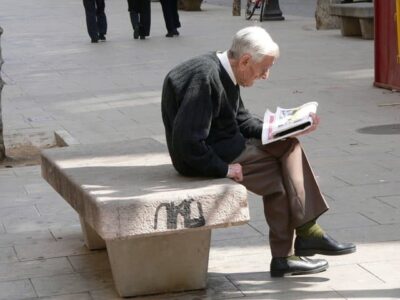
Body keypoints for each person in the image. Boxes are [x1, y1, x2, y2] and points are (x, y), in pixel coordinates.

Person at [161, 26, 356, 277]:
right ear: (244, 61)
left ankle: (300, 241)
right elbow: (187, 143)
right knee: (279, 178)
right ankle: (294, 247)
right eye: (264, 68)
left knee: (289, 144)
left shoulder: (226, 70)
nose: (266, 76)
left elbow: (241, 121)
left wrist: (290, 127)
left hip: (224, 145)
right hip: (207, 157)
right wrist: (224, 169)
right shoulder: (205, 77)